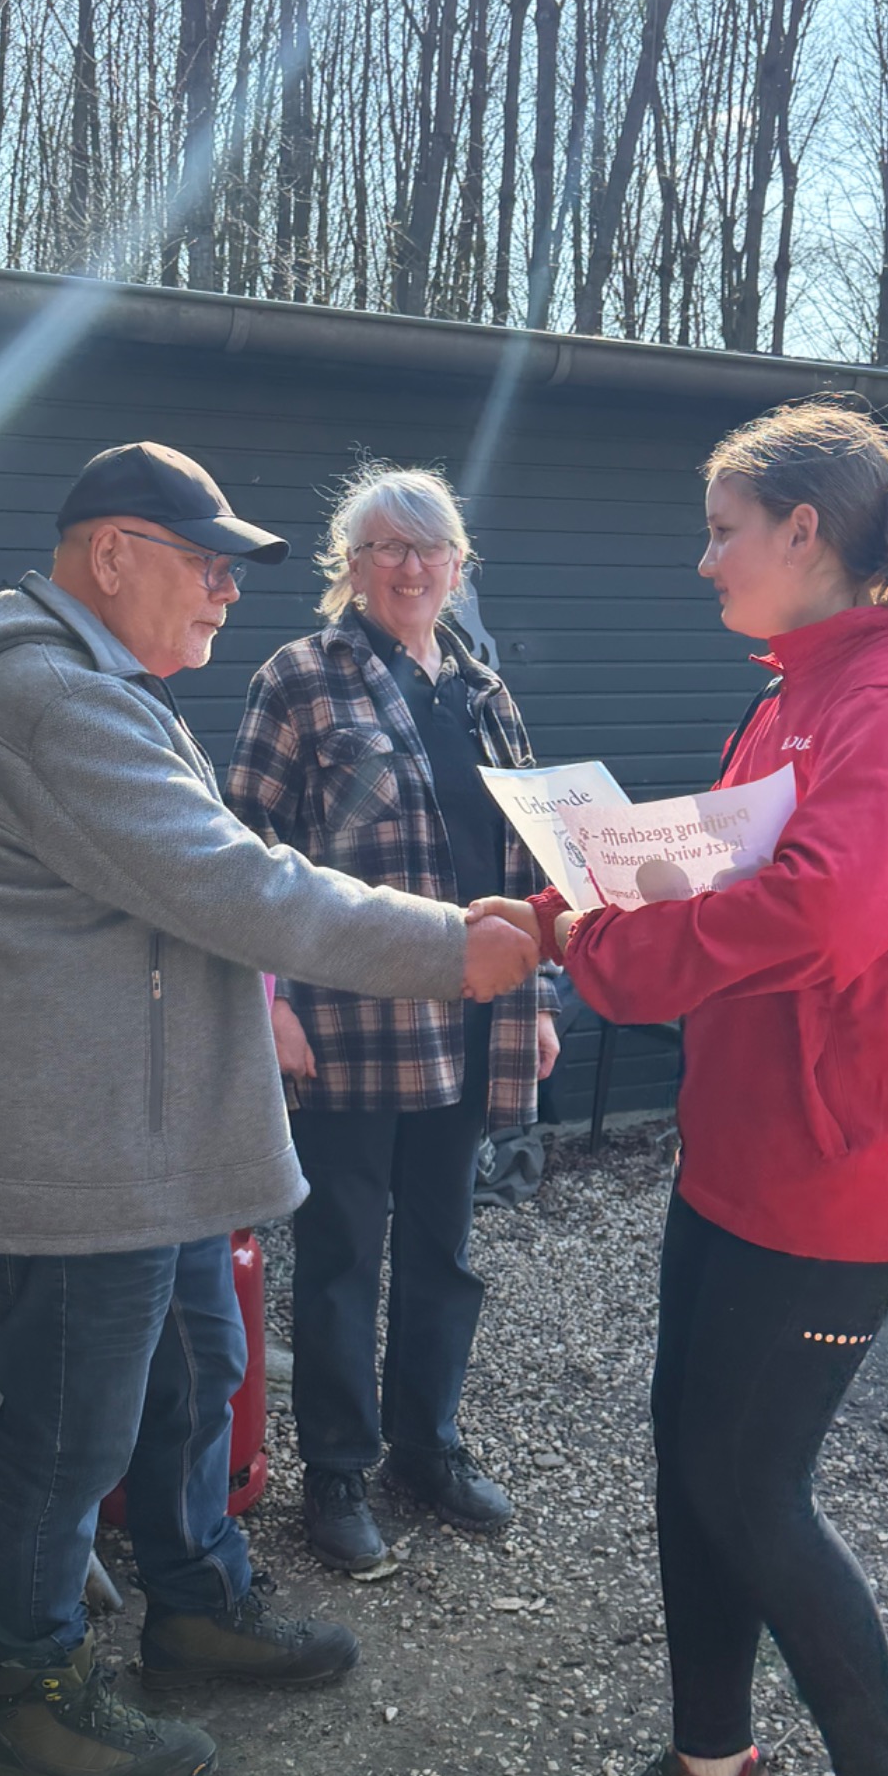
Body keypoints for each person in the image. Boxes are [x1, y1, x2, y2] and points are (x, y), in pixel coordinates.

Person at [0, 442, 536, 1776]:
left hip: (143, 1138)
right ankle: (37, 1694)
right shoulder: (53, 700)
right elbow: (241, 883)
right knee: (71, 1423)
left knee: (197, 1366)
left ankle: (195, 1601)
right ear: (112, 556)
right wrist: (449, 945)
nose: (228, 589)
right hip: (84, 1144)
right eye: (206, 562)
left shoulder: (102, 686)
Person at [472, 403, 888, 1776]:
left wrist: (600, 952)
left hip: (842, 1167)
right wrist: (586, 895)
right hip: (745, 1150)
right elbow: (730, 868)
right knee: (694, 1467)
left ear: (804, 532)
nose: (704, 562)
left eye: (722, 531)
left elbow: (822, 911)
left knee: (750, 1486)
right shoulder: (802, 692)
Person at [225, 464, 558, 1575]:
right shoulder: (299, 678)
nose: (411, 567)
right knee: (340, 1254)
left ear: (459, 565)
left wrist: (537, 1001)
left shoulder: (485, 691)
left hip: (476, 1015)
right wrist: (267, 1002)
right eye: (387, 548)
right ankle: (335, 1469)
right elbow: (241, 857)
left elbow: (530, 866)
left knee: (443, 1249)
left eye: (430, 548)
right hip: (349, 1021)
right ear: (352, 566)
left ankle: (428, 1445)